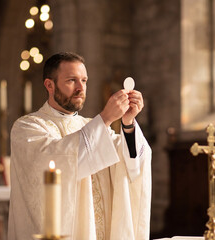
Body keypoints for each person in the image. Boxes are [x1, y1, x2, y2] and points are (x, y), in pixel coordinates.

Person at [8, 52, 152, 240]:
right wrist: (106, 118)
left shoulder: (91, 125)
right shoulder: (27, 127)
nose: (80, 88)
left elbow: (130, 162)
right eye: (71, 81)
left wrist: (128, 122)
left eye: (84, 81)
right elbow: (56, 160)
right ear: (49, 85)